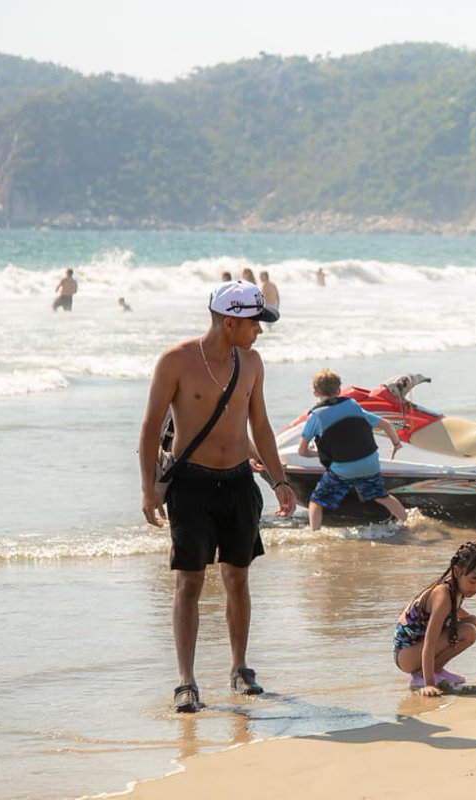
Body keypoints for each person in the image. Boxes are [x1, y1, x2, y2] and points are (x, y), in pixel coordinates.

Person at [138, 280, 297, 713]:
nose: (260, 331)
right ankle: (186, 681)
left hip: (239, 482)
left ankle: (239, 668)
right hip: (190, 483)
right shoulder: (175, 361)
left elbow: (260, 426)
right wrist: (148, 488)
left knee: (238, 577)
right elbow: (151, 425)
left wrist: (280, 481)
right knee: (188, 581)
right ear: (230, 322)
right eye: (254, 324)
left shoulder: (252, 362)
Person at [297, 369, 407, 530]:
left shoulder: (316, 416)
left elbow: (302, 451)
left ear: (315, 392)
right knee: (382, 497)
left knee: (316, 502)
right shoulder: (352, 405)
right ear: (339, 390)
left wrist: (318, 454)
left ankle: (315, 534)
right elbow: (386, 424)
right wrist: (396, 444)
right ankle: (406, 524)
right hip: (369, 463)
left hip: (343, 468)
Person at [394, 542, 476, 696]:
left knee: (474, 622)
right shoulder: (443, 595)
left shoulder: (454, 588)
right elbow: (430, 642)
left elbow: (456, 611)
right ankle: (422, 677)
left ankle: (436, 669)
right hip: (406, 654)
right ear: (457, 571)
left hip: (416, 648)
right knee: (468, 631)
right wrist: (428, 684)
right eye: (473, 581)